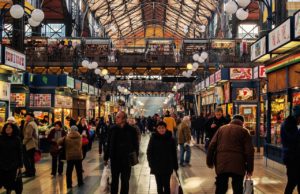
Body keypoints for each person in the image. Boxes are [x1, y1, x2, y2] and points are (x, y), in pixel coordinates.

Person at [206, 115, 254, 194]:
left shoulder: (221, 129)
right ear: (243, 122)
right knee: (238, 188)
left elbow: (211, 146)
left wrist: (209, 162)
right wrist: (250, 169)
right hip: (238, 164)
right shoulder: (244, 132)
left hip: (222, 163)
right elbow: (249, 151)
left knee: (221, 187)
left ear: (232, 120)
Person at [104, 111, 139, 194]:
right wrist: (106, 157)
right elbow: (108, 144)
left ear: (124, 119)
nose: (116, 118)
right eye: (116, 116)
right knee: (114, 181)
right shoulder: (112, 129)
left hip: (126, 160)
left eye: (118, 117)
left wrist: (135, 157)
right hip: (115, 159)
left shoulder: (131, 130)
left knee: (125, 181)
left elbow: (135, 145)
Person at [147, 121, 178, 194]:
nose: (161, 130)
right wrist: (151, 164)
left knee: (167, 185)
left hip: (168, 165)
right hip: (157, 166)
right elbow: (149, 152)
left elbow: (174, 153)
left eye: (163, 128)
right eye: (159, 128)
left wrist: (175, 165)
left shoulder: (171, 139)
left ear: (165, 128)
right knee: (159, 185)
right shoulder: (153, 138)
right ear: (157, 129)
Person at [281, 105, 300, 194]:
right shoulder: (289, 125)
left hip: (294, 157)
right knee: (292, 182)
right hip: (292, 158)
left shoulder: (291, 124)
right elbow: (293, 139)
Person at [0, 123, 23, 194]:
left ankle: (9, 191)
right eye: (6, 127)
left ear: (13, 129)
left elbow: (20, 152)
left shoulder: (17, 139)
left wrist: (20, 165)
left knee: (11, 182)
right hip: (2, 164)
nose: (8, 128)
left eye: (10, 127)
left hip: (13, 164)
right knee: (2, 181)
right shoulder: (1, 138)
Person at [22, 112, 38, 177]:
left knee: (27, 159)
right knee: (31, 159)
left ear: (30, 117)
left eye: (27, 117)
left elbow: (28, 135)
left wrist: (23, 143)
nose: (26, 118)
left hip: (29, 144)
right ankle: (31, 171)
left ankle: (29, 172)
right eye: (26, 116)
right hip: (33, 144)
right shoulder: (33, 123)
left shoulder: (30, 124)